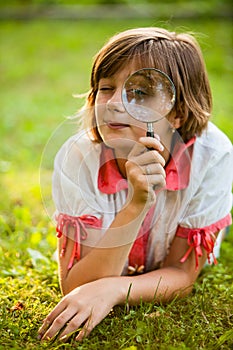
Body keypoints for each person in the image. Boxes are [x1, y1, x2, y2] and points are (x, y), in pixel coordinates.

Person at [38, 27, 233, 342]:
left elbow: (181, 274)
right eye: (106, 88)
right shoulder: (77, 159)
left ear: (178, 112)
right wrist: (136, 204)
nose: (115, 103)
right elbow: (77, 285)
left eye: (139, 92)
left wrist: (114, 289)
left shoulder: (213, 156)